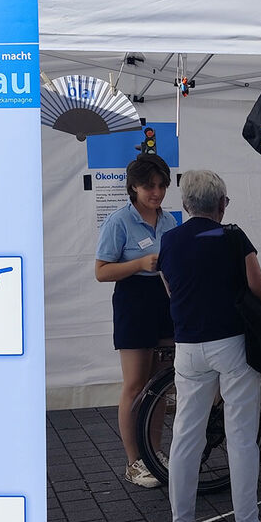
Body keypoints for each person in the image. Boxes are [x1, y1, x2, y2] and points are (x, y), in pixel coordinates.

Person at [156, 171, 261, 522]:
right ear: (221, 204)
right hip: (232, 345)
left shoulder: (169, 240)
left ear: (185, 205)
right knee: (241, 436)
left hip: (189, 347)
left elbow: (171, 290)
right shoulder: (234, 237)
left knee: (186, 435)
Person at [94, 153, 176, 488]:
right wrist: (140, 264)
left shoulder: (170, 221)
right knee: (135, 385)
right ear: (134, 187)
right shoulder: (118, 222)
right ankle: (134, 462)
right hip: (133, 302)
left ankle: (153, 454)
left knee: (160, 385)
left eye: (161, 186)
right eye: (149, 186)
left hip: (165, 303)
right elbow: (101, 272)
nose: (156, 193)